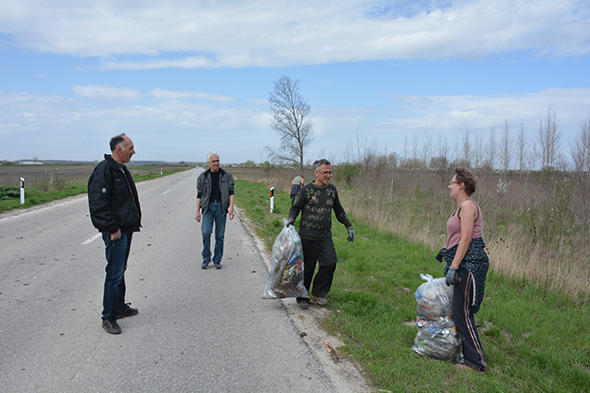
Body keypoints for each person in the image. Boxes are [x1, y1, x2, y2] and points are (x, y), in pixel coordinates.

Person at [436, 167, 489, 373]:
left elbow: (466, 239)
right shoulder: (460, 207)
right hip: (461, 262)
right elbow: (457, 240)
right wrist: (450, 261)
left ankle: (477, 363)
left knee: (463, 313)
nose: (449, 186)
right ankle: (465, 354)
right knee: (459, 312)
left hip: (469, 265)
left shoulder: (467, 206)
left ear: (461, 185)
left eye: (452, 182)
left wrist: (455, 266)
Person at [88, 134, 142, 335]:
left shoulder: (121, 169)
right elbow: (98, 205)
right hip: (116, 232)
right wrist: (113, 229)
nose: (133, 152)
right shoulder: (105, 170)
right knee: (114, 272)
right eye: (131, 148)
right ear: (119, 149)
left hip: (126, 229)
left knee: (121, 269)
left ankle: (120, 307)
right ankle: (108, 316)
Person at [287, 159, 354, 309]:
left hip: (325, 236)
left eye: (330, 172)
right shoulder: (306, 190)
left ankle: (319, 292)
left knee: (330, 262)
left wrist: (348, 226)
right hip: (307, 236)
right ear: (316, 173)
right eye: (325, 172)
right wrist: (291, 219)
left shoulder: (331, 190)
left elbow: (339, 211)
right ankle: (303, 296)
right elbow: (296, 208)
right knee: (307, 268)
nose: (328, 175)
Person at [195, 152, 235, 269]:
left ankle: (217, 259)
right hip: (208, 208)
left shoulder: (226, 175)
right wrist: (197, 211)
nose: (216, 163)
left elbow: (231, 193)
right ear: (208, 163)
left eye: (217, 160)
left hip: (221, 208)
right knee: (206, 232)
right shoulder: (203, 177)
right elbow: (199, 195)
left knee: (220, 235)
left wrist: (231, 209)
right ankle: (206, 258)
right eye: (213, 161)